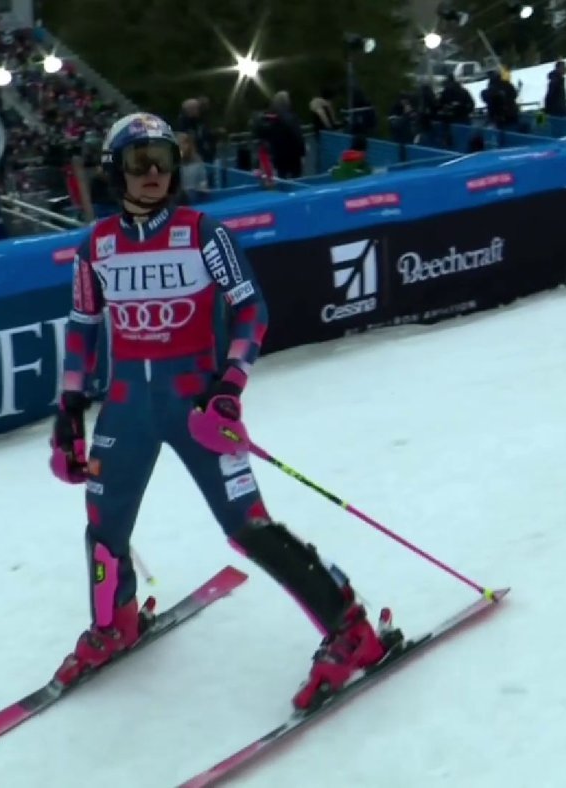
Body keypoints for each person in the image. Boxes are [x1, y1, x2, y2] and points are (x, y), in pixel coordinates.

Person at [48, 111, 392, 711]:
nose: (153, 173)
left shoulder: (204, 234)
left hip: (196, 406)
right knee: (104, 526)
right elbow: (82, 328)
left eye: (163, 160)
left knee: (246, 525)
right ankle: (113, 623)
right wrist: (69, 409)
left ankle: (350, 629)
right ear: (115, 171)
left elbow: (251, 311)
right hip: (125, 409)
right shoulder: (95, 247)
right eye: (138, 163)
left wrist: (230, 385)